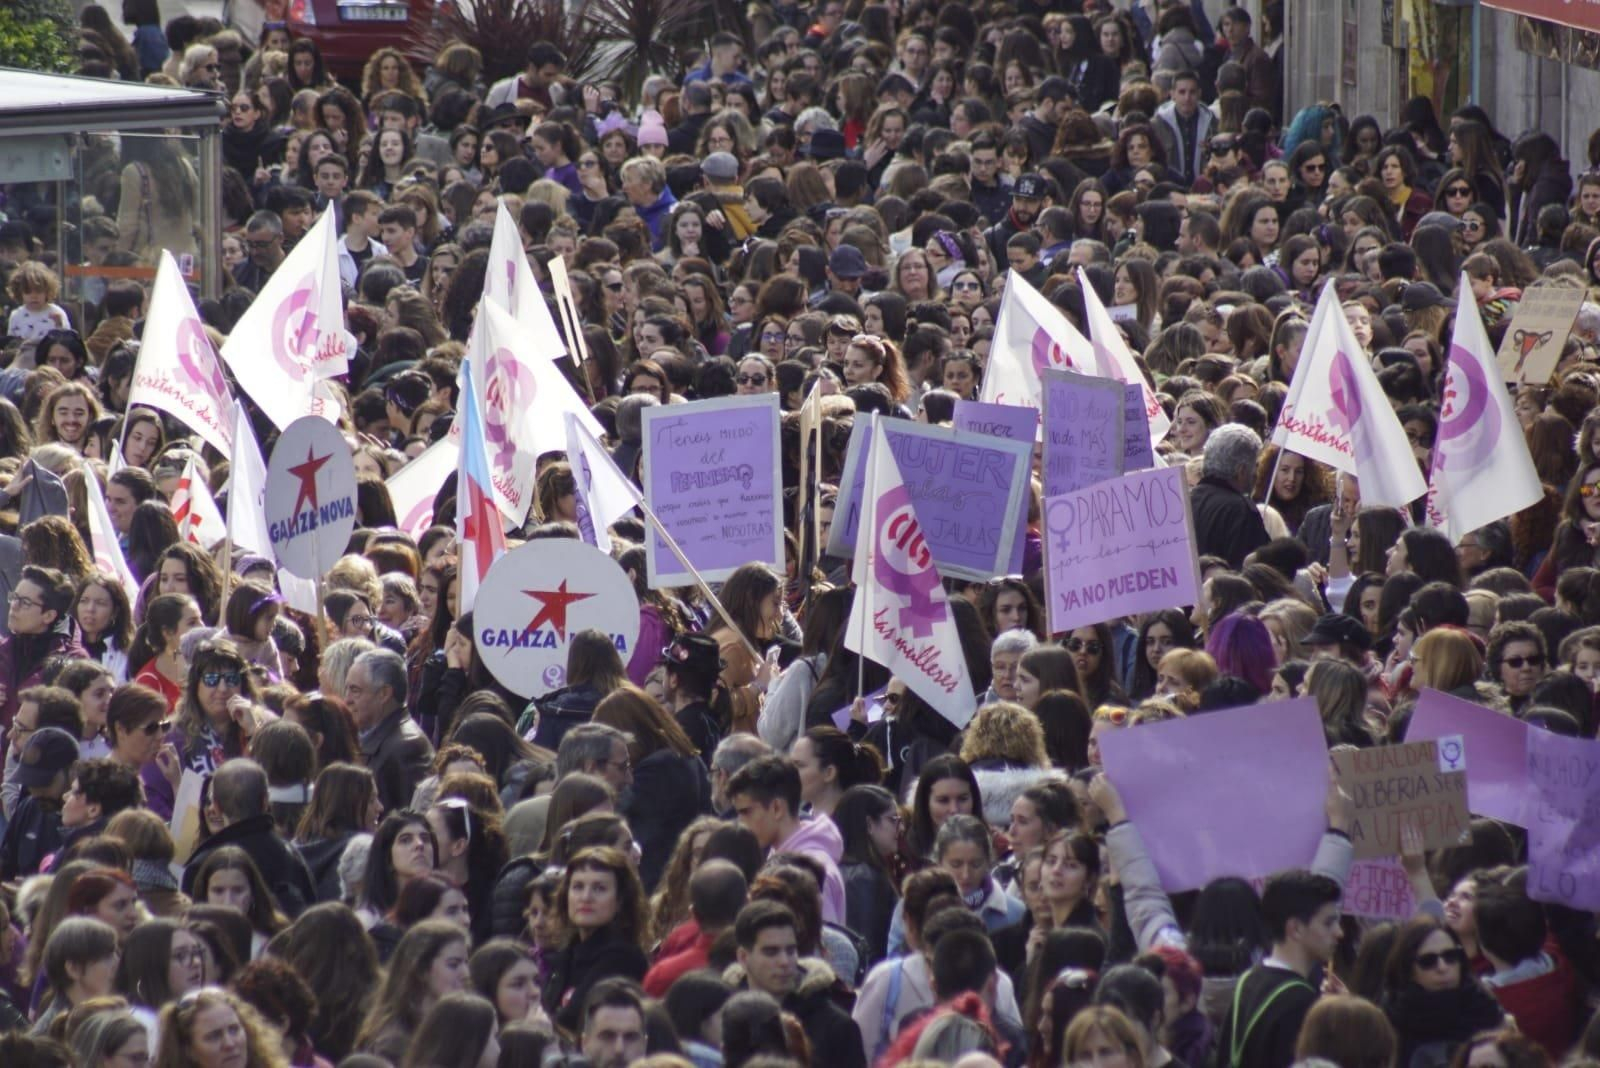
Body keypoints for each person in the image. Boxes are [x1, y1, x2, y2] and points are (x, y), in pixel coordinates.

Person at [1211, 870, 1343, 1068]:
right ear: (1295, 929)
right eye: (1328, 923)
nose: (1339, 932)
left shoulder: (1248, 980)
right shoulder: (1300, 1001)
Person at [730, 899, 867, 1068]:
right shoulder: (721, 1018)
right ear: (743, 957)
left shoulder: (837, 1028)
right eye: (771, 952)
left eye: (790, 950)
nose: (784, 961)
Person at [725, 754, 847, 925]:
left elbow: (822, 944)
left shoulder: (812, 869)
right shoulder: (781, 852)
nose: (741, 822)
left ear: (776, 808)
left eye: (746, 812)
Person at [540, 846, 650, 1034]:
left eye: (599, 889)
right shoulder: (568, 953)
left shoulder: (622, 958)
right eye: (578, 887)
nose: (586, 897)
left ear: (620, 900)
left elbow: (573, 1019)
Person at [346, 649, 434, 814]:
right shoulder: (382, 737)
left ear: (384, 694)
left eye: (355, 690)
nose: (347, 699)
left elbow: (407, 821)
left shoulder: (406, 746)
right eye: (347, 689)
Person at [1190, 426, 1270, 569]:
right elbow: (1254, 570)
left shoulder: (1184, 500)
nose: (1257, 474)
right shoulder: (1241, 510)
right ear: (1241, 471)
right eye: (1256, 466)